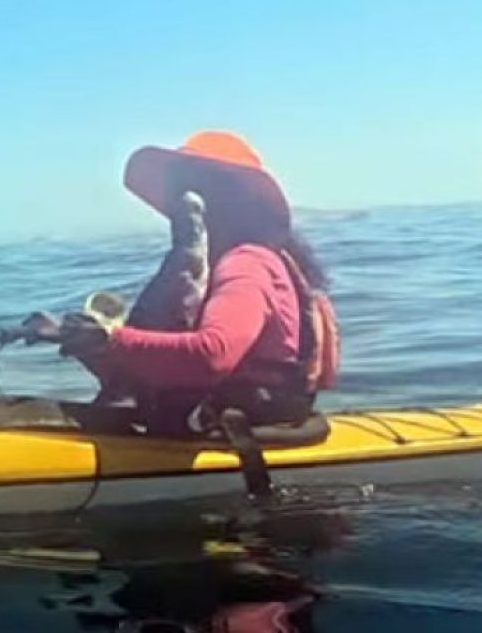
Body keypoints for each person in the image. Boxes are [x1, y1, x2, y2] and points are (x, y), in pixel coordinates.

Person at [32, 131, 339, 434]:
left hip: (237, 432)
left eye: (192, 190)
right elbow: (156, 367)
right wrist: (79, 340)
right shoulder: (227, 265)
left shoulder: (247, 263)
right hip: (217, 422)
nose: (180, 204)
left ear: (226, 201)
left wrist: (108, 339)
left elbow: (212, 356)